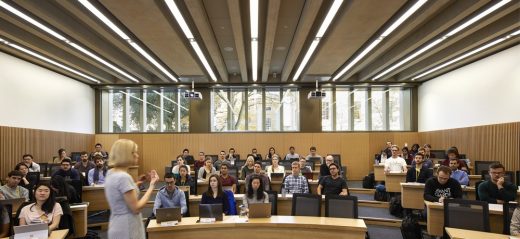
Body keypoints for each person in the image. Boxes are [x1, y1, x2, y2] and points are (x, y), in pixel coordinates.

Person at [104, 139, 159, 239]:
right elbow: (136, 208)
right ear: (126, 154)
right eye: (135, 152)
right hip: (127, 226)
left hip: (116, 223)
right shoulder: (124, 177)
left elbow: (121, 192)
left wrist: (137, 183)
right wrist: (151, 186)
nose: (137, 155)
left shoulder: (111, 172)